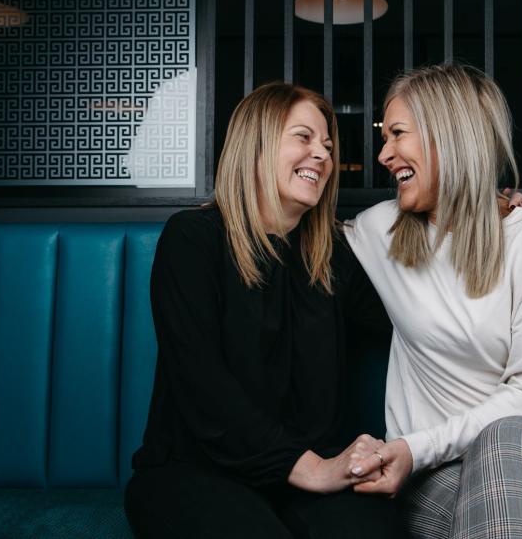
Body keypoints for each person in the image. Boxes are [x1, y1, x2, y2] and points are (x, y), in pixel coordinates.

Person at [343, 64, 522, 539]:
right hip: (438, 478)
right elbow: (285, 231)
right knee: (489, 509)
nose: (383, 154)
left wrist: (414, 446)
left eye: (397, 134)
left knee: (507, 436)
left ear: (449, 134)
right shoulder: (378, 230)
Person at [124, 82, 402, 539]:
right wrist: (307, 467)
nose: (322, 155)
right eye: (303, 137)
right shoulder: (193, 238)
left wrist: (490, 212)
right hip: (196, 471)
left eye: (328, 146)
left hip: (312, 474)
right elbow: (202, 384)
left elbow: (412, 323)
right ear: (256, 146)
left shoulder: (333, 255)